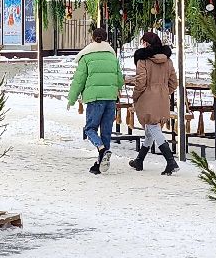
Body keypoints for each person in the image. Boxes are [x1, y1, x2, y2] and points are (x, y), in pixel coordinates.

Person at [65, 26, 123, 174]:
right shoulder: (112, 56)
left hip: (94, 98)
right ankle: (100, 164)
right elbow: (120, 79)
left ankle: (102, 149)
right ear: (106, 39)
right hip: (110, 98)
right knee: (106, 132)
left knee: (90, 129)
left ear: (92, 38)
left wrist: (71, 99)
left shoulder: (87, 56)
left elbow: (79, 80)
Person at [128, 30, 180, 175]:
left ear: (146, 43)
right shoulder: (167, 61)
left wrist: (136, 96)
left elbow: (140, 82)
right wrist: (164, 92)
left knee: (153, 127)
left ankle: (171, 161)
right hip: (162, 98)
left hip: (147, 97)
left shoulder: (143, 60)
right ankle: (139, 160)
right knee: (151, 129)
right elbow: (174, 83)